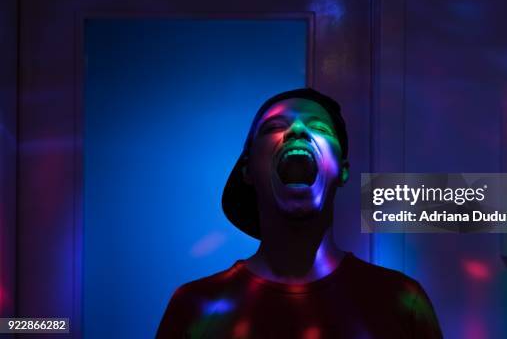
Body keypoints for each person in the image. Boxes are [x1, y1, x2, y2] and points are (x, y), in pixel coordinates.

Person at [156, 88, 442, 338]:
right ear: (248, 169)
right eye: (273, 127)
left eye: (320, 127)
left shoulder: (401, 301)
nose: (297, 130)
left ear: (342, 170)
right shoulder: (194, 306)